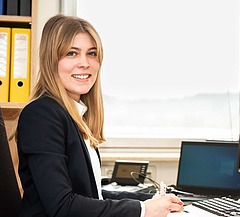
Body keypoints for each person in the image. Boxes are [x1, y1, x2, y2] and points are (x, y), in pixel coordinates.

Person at [16, 14, 183, 217]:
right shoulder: (42, 115)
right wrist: (143, 210)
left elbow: (91, 194)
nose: (85, 63)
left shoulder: (74, 115)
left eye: (92, 54)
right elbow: (62, 206)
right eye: (71, 53)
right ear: (51, 60)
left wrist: (148, 201)